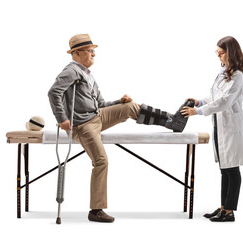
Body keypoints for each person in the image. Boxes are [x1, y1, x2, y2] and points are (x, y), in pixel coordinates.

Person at [48, 34, 193, 223]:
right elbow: (53, 92)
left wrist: (119, 102)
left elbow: (100, 104)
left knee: (129, 106)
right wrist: (62, 119)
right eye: (90, 51)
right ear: (77, 53)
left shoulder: (88, 75)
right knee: (101, 161)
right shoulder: (71, 71)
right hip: (82, 125)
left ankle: (170, 121)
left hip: (97, 116)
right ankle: (96, 210)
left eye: (94, 51)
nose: (94, 54)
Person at [181, 36, 243, 222]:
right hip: (220, 125)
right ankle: (223, 207)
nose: (217, 54)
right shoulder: (224, 72)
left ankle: (229, 211)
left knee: (232, 170)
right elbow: (215, 97)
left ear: (230, 52)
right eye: (217, 51)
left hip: (231, 127)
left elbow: (225, 101)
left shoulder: (237, 76)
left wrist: (198, 111)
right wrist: (200, 101)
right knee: (224, 169)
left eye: (220, 51)